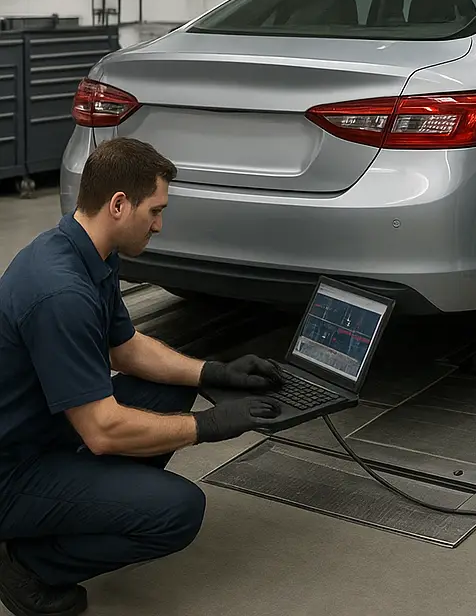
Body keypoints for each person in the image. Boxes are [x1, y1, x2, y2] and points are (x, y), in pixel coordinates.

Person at [0, 138, 285, 616]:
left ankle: (82, 507)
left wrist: (213, 372)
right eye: (155, 210)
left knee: (172, 382)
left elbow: (126, 347)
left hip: (40, 431)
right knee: (178, 511)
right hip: (12, 471)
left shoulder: (87, 251)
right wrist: (210, 427)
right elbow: (102, 430)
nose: (159, 224)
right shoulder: (60, 292)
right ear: (118, 205)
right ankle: (30, 564)